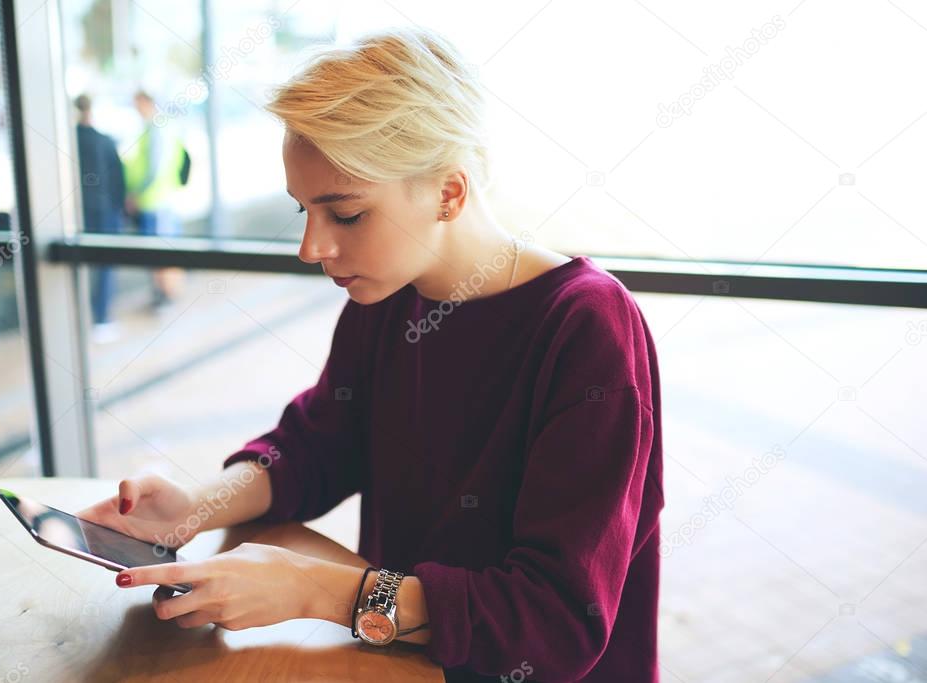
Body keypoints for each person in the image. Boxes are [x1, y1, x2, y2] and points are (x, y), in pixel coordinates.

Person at [79, 27, 664, 682]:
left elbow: (554, 621)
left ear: (448, 191)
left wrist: (313, 588)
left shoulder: (586, 327)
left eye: (346, 214)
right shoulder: (388, 294)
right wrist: (194, 507)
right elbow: (321, 444)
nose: (310, 247)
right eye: (304, 210)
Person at [122, 89, 184, 312]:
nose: (136, 110)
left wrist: (137, 193)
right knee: (157, 252)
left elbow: (154, 167)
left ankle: (167, 297)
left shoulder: (157, 128)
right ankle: (163, 295)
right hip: (157, 201)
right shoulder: (158, 127)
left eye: (137, 104)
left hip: (156, 202)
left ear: (147, 102)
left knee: (161, 253)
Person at [74, 94, 126, 342]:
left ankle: (77, 318)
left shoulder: (69, 141)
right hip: (103, 212)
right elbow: (118, 179)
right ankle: (102, 318)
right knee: (104, 265)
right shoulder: (104, 141)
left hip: (76, 213)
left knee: (76, 265)